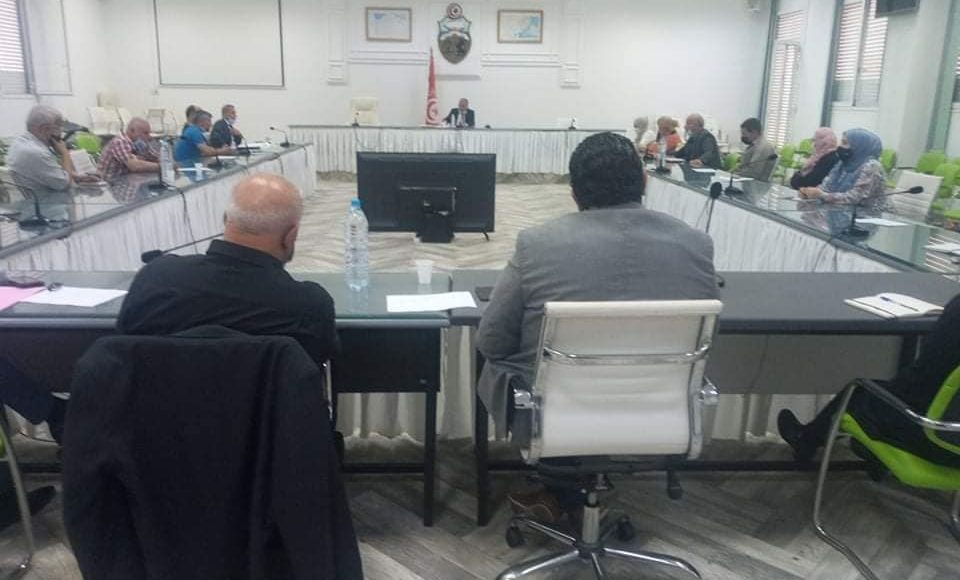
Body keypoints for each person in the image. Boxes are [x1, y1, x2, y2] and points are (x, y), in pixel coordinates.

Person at [476, 132, 718, 522]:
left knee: (502, 365)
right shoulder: (696, 244)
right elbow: (707, 342)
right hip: (659, 410)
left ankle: (558, 484)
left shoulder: (537, 244)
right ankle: (571, 489)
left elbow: (491, 341)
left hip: (557, 414)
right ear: (645, 181)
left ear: (573, 192)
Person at [117, 173, 338, 368]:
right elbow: (320, 363)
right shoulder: (308, 307)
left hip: (157, 403)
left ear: (225, 220)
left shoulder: (156, 278)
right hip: (265, 405)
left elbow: (124, 342)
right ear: (291, 236)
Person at [778, 292, 960, 468]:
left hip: (935, 441)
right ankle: (867, 453)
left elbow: (916, 383)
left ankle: (805, 440)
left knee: (860, 392)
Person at [6, 104, 99, 196]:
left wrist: (77, 177)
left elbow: (49, 172)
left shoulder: (19, 143)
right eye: (59, 128)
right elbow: (65, 184)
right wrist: (65, 153)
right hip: (48, 202)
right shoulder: (37, 152)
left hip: (38, 199)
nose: (61, 134)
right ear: (44, 129)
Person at [798, 128, 889, 212]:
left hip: (872, 215)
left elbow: (855, 198)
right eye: (841, 142)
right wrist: (810, 193)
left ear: (860, 146)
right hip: (843, 212)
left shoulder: (872, 167)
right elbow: (826, 186)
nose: (840, 146)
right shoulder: (842, 163)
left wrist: (822, 195)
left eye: (845, 143)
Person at [97, 117, 160, 182]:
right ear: (132, 131)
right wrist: (160, 167)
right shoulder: (120, 141)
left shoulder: (139, 143)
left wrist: (161, 161)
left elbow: (157, 157)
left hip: (124, 181)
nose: (149, 137)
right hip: (108, 183)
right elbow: (134, 166)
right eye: (145, 133)